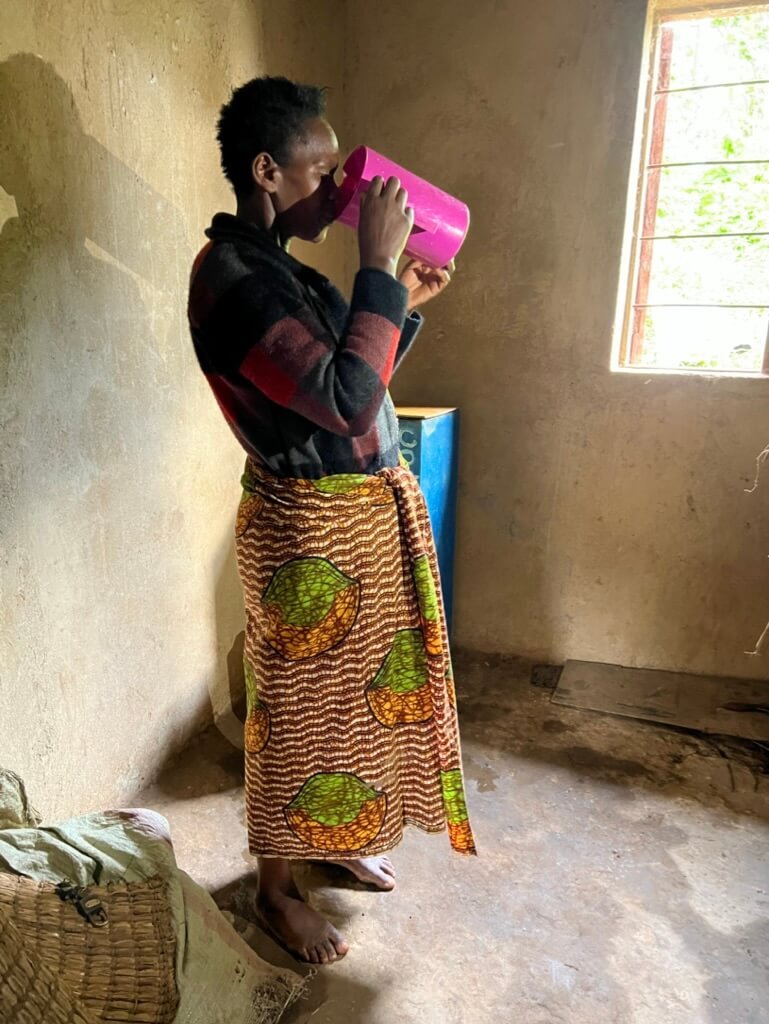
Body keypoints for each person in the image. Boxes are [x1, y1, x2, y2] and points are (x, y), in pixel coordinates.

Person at [188, 76, 475, 966]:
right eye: (321, 170)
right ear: (268, 171)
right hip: (306, 534)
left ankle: (333, 832)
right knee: (297, 709)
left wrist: (402, 305)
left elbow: (355, 376)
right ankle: (276, 890)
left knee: (352, 708)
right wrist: (379, 271)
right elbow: (345, 403)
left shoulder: (279, 270)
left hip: (352, 520)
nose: (342, 189)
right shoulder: (233, 281)